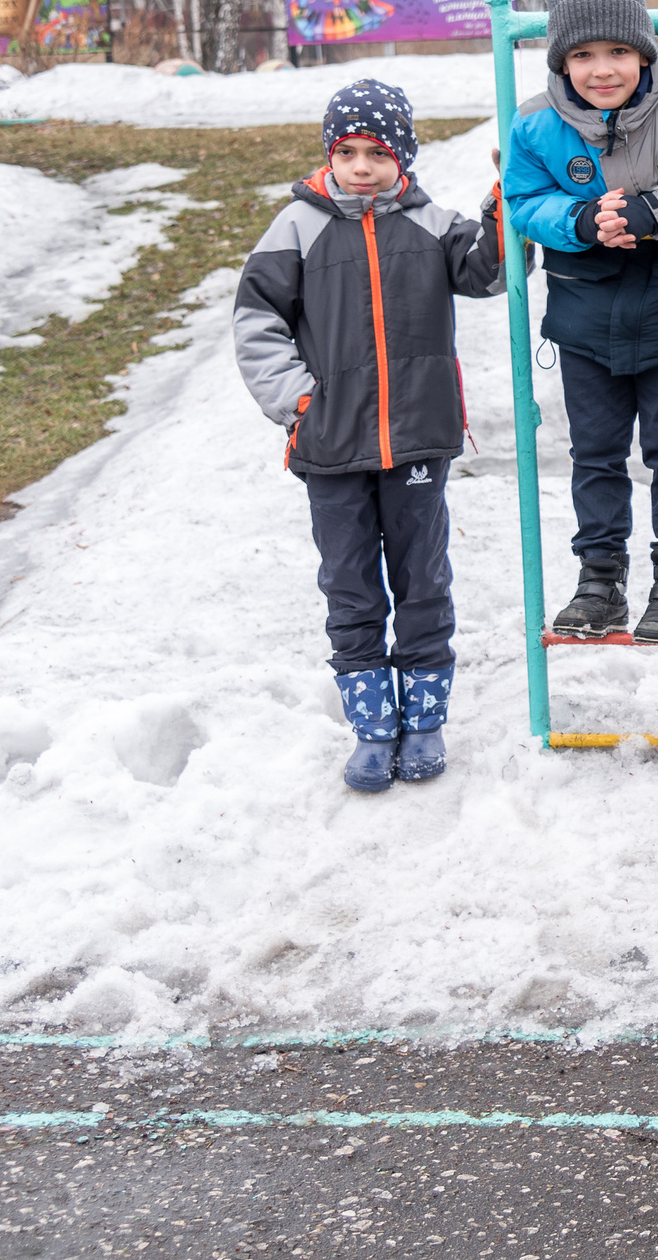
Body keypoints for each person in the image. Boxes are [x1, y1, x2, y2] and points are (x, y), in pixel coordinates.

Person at [232, 80, 505, 792]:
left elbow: (488, 271)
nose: (361, 167)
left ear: (403, 158)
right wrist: (298, 401)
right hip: (330, 445)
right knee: (349, 584)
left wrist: (504, 208)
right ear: (329, 154)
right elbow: (256, 319)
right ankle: (371, 725)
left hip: (417, 438)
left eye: (377, 153)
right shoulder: (297, 226)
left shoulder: (432, 222)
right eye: (347, 152)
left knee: (422, 580)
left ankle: (425, 716)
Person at [503, 0, 658, 644]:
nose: (601, 69)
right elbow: (522, 197)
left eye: (616, 51)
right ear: (560, 61)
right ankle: (598, 579)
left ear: (643, 50)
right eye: (581, 55)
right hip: (584, 312)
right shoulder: (535, 123)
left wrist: (649, 211)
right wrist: (578, 220)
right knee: (594, 452)